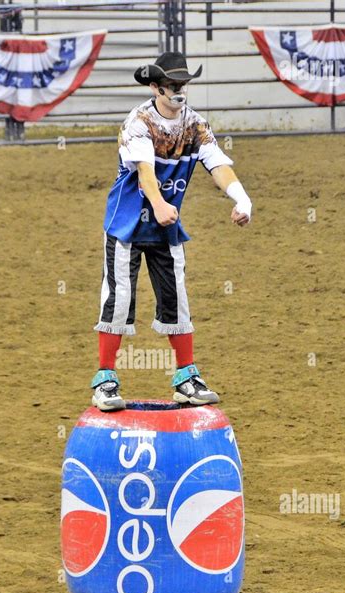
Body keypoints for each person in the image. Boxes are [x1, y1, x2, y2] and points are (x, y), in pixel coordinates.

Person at [91, 51, 252, 411]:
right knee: (118, 301)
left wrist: (241, 198)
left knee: (176, 299)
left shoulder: (195, 125)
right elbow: (146, 171)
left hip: (165, 226)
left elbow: (217, 164)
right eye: (173, 86)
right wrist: (160, 204)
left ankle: (186, 377)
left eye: (183, 86)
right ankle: (105, 379)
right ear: (156, 88)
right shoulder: (138, 122)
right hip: (127, 225)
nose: (180, 92)